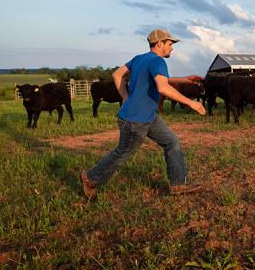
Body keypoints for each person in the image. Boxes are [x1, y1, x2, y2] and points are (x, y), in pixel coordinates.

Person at [80, 29, 206, 200]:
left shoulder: (140, 59)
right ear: (160, 44)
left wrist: (125, 97)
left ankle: (178, 184)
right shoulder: (158, 61)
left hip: (146, 116)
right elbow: (162, 87)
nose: (172, 48)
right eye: (170, 44)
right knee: (122, 153)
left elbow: (117, 75)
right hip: (136, 120)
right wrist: (191, 102)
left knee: (171, 141)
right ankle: (90, 178)